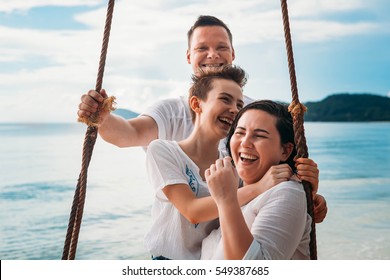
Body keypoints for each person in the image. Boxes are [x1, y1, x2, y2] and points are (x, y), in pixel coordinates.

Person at [77, 15, 327, 221]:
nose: (212, 55)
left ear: (232, 53)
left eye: (221, 48)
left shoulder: (257, 114)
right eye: (201, 48)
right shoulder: (170, 111)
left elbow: (283, 168)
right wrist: (103, 118)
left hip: (239, 238)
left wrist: (308, 192)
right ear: (188, 56)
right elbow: (128, 134)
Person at [201, 100, 313, 260]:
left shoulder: (287, 193)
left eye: (259, 135)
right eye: (239, 133)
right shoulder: (240, 188)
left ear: (285, 151)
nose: (245, 142)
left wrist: (226, 200)